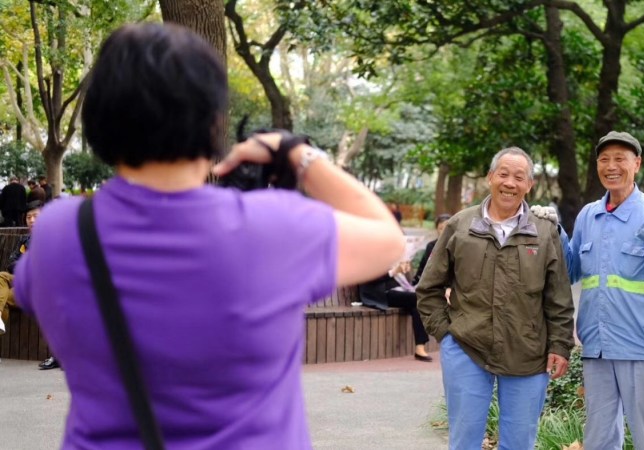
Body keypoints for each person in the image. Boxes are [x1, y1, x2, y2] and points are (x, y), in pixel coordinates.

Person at [13, 23, 404, 448]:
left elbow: (29, 292)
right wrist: (297, 152)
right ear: (214, 121)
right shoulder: (274, 229)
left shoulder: (59, 232)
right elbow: (389, 241)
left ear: (98, 119)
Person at [534, 131, 644, 450]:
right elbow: (572, 271)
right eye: (604, 159)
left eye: (620, 158)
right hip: (597, 348)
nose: (611, 166)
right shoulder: (590, 214)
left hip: (643, 348)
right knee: (599, 439)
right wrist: (556, 230)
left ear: (637, 164)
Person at [417, 147, 575, 450]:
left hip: (529, 353)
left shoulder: (544, 232)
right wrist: (446, 335)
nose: (510, 183)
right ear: (490, 178)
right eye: (503, 174)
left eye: (519, 177)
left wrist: (559, 345)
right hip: (466, 346)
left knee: (519, 443)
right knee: (464, 442)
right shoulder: (460, 226)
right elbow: (428, 288)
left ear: (529, 185)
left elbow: (558, 297)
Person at [358, 259, 432, 361]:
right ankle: (420, 347)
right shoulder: (370, 255)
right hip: (381, 293)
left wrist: (402, 268)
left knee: (417, 304)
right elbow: (368, 278)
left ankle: (420, 347)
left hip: (397, 291)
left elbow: (400, 279)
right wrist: (392, 272)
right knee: (417, 298)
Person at [0, 200, 42, 339]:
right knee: (1, 277)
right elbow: (11, 262)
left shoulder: (53, 239)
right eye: (28, 217)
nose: (31, 220)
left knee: (2, 296)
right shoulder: (25, 239)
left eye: (35, 216)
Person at [412, 213, 451, 285]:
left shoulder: (454, 246)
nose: (443, 231)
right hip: (430, 282)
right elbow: (428, 267)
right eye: (441, 228)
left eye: (446, 228)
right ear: (437, 229)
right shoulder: (431, 246)